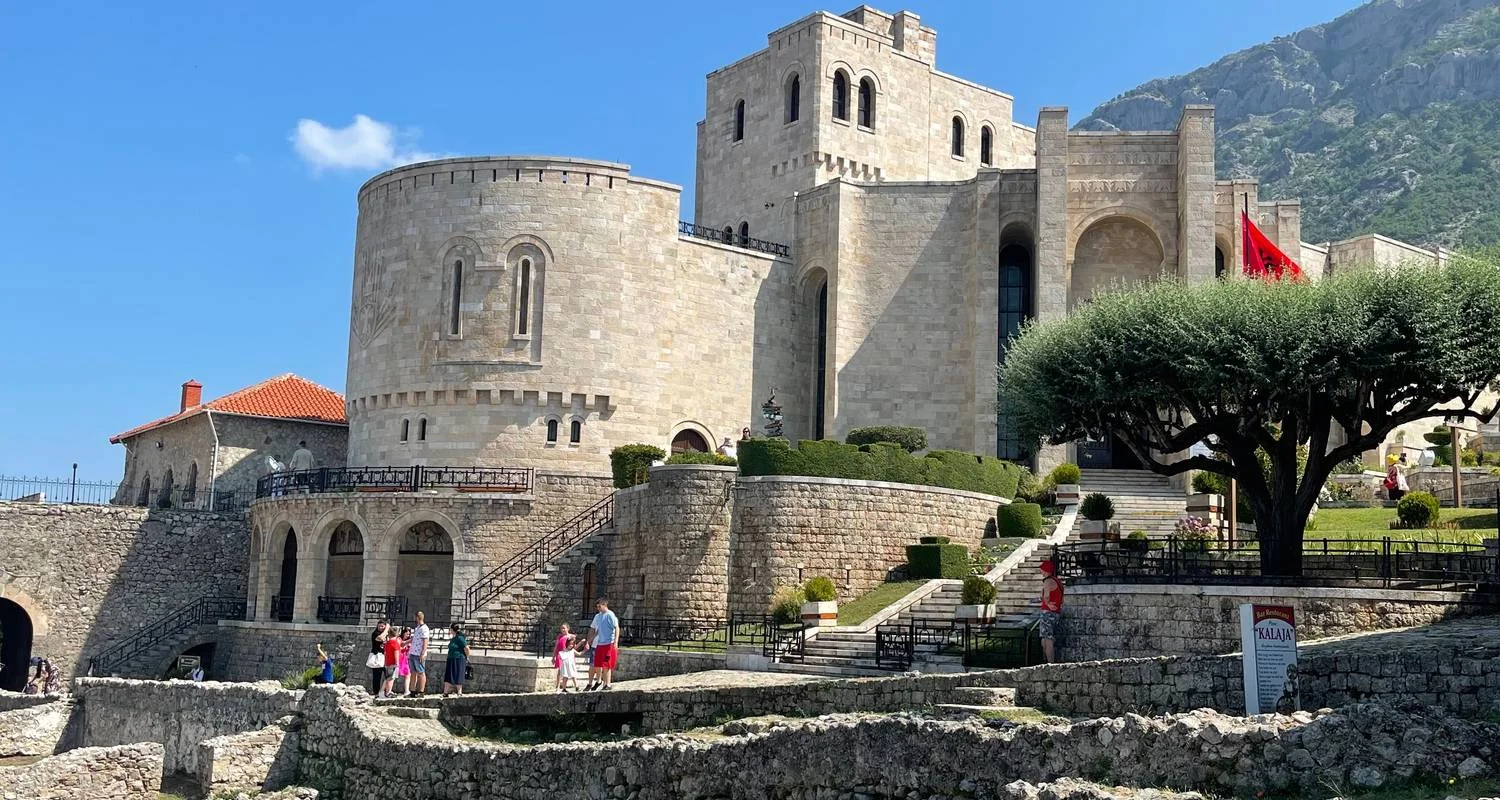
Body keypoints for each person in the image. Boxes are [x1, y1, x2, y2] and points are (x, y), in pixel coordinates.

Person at [584, 598, 621, 692]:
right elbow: (598, 630)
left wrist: (616, 641)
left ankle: (607, 684)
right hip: (600, 644)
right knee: (598, 664)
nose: (598, 608)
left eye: (599, 606)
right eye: (597, 607)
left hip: (609, 643)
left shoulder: (610, 615)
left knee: (606, 664)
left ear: (605, 604)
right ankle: (601, 682)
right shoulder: (598, 616)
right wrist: (590, 640)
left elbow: (616, 628)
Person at [1038, 560, 1064, 664]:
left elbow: (1046, 596)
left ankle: (1050, 663)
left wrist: (1048, 603)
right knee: (1045, 639)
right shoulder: (1057, 581)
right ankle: (1046, 661)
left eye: (1041, 569)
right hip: (1056, 612)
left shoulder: (1047, 581)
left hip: (1047, 613)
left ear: (1045, 570)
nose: (1040, 571)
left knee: (1047, 639)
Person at [443, 623, 470, 697]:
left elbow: (467, 648)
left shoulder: (460, 638)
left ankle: (459, 692)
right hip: (451, 659)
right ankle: (445, 692)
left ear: (452, 629)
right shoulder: (453, 638)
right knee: (448, 675)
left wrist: (467, 657)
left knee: (458, 674)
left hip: (459, 659)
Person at [408, 611, 430, 698]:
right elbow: (414, 639)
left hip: (419, 654)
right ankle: (412, 691)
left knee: (421, 672)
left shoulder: (424, 628)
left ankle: (421, 691)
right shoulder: (417, 628)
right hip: (413, 652)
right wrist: (405, 643)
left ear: (417, 617)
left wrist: (422, 653)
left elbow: (425, 641)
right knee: (413, 672)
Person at [367, 620, 389, 695]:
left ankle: (386, 690)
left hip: (385, 656)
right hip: (377, 656)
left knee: (388, 675)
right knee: (377, 675)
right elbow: (381, 638)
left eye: (382, 626)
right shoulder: (375, 633)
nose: (380, 628)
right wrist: (386, 629)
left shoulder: (387, 634)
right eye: (379, 626)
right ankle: (376, 691)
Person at [380, 626, 403, 698]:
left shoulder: (387, 643)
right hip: (393, 663)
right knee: (391, 678)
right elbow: (396, 653)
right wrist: (397, 663)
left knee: (387, 678)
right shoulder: (395, 643)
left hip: (387, 663)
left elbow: (385, 653)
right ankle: (388, 692)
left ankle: (382, 692)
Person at [553, 623, 576, 693]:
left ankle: (567, 687)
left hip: (568, 656)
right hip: (561, 655)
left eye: (564, 628)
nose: (562, 630)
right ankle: (557, 687)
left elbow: (574, 646)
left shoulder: (571, 636)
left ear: (568, 629)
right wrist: (553, 656)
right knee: (560, 671)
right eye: (561, 628)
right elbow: (556, 646)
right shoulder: (559, 637)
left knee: (568, 671)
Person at [396, 628, 412, 694]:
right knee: (392, 675)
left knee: (408, 674)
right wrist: (409, 641)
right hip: (399, 658)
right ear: (403, 633)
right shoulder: (399, 639)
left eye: (409, 634)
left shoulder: (407, 640)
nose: (407, 635)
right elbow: (400, 645)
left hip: (404, 659)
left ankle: (406, 690)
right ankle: (385, 690)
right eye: (406, 634)